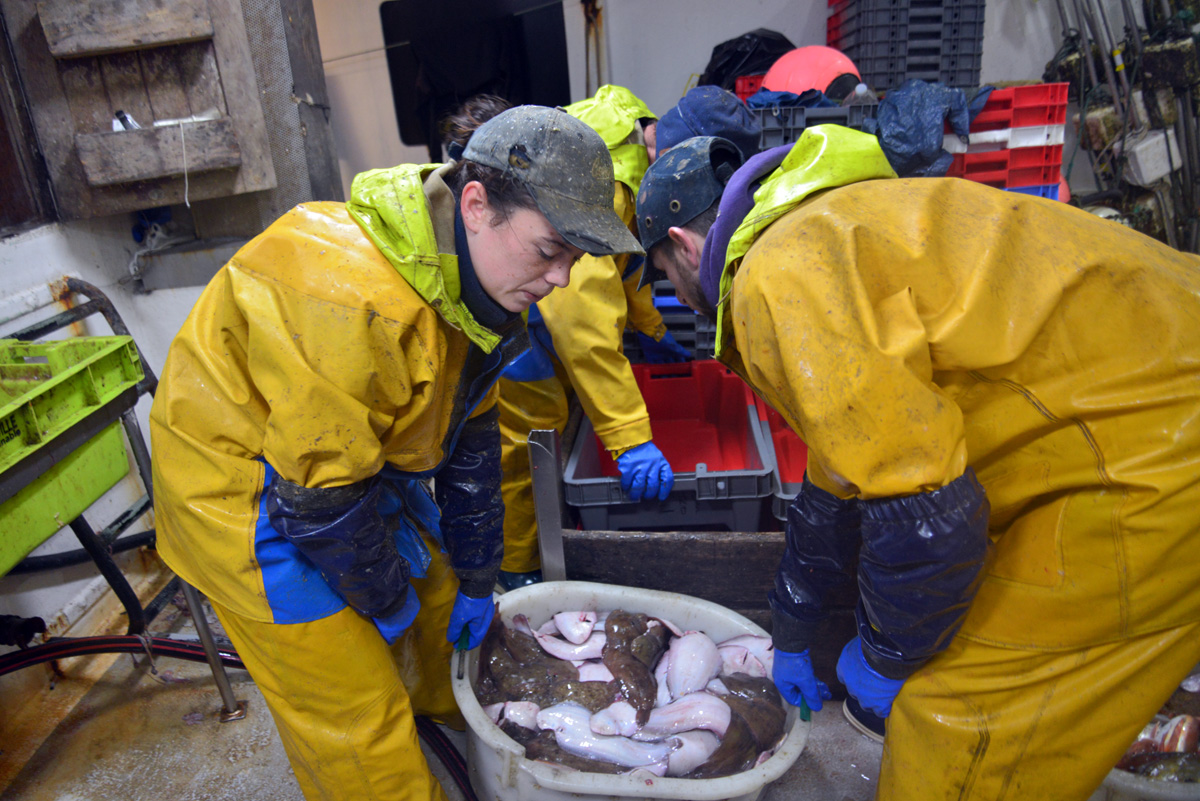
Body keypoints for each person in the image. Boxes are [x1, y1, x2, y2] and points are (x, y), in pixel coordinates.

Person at [635, 129, 1200, 800]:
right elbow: (844, 468)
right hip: (1149, 404)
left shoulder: (772, 278)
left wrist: (887, 654)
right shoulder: (835, 226)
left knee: (959, 726)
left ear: (684, 245)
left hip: (1154, 454)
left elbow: (930, 514)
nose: (673, 291)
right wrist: (793, 621)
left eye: (664, 273)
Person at [148, 105, 642, 801]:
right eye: (549, 249)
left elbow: (473, 436)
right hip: (243, 488)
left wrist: (477, 574)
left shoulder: (483, 285)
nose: (561, 279)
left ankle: (458, 710)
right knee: (352, 709)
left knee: (441, 602)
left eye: (575, 259)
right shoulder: (353, 298)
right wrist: (380, 599)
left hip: (345, 459)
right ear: (476, 204)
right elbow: (317, 504)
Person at [492, 84, 765, 589]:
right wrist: (630, 440)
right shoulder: (610, 179)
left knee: (559, 432)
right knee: (532, 445)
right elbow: (582, 318)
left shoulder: (635, 137)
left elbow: (629, 260)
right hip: (525, 318)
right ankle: (520, 570)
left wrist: (653, 328)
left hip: (557, 309)